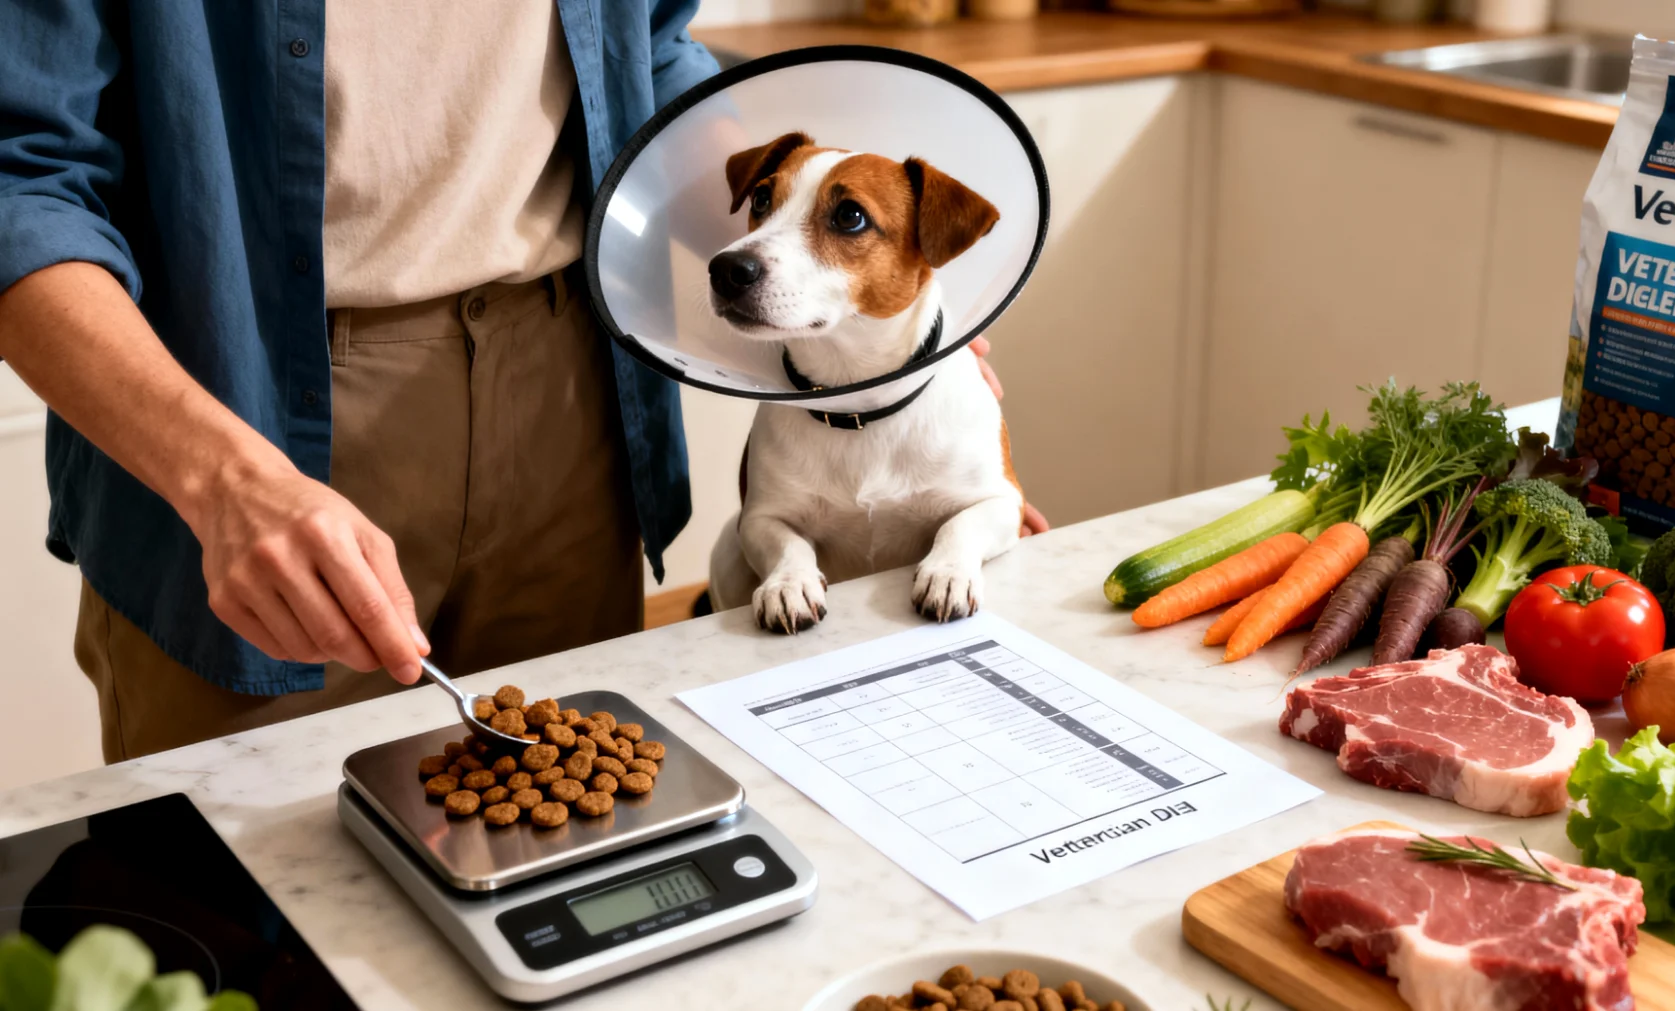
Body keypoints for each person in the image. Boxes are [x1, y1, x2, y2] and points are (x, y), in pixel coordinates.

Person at [0, 0, 1045, 764]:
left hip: (570, 403)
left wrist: (881, 332)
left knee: (565, 847)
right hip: (243, 416)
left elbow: (649, 56)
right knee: (244, 902)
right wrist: (220, 479)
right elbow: (19, 177)